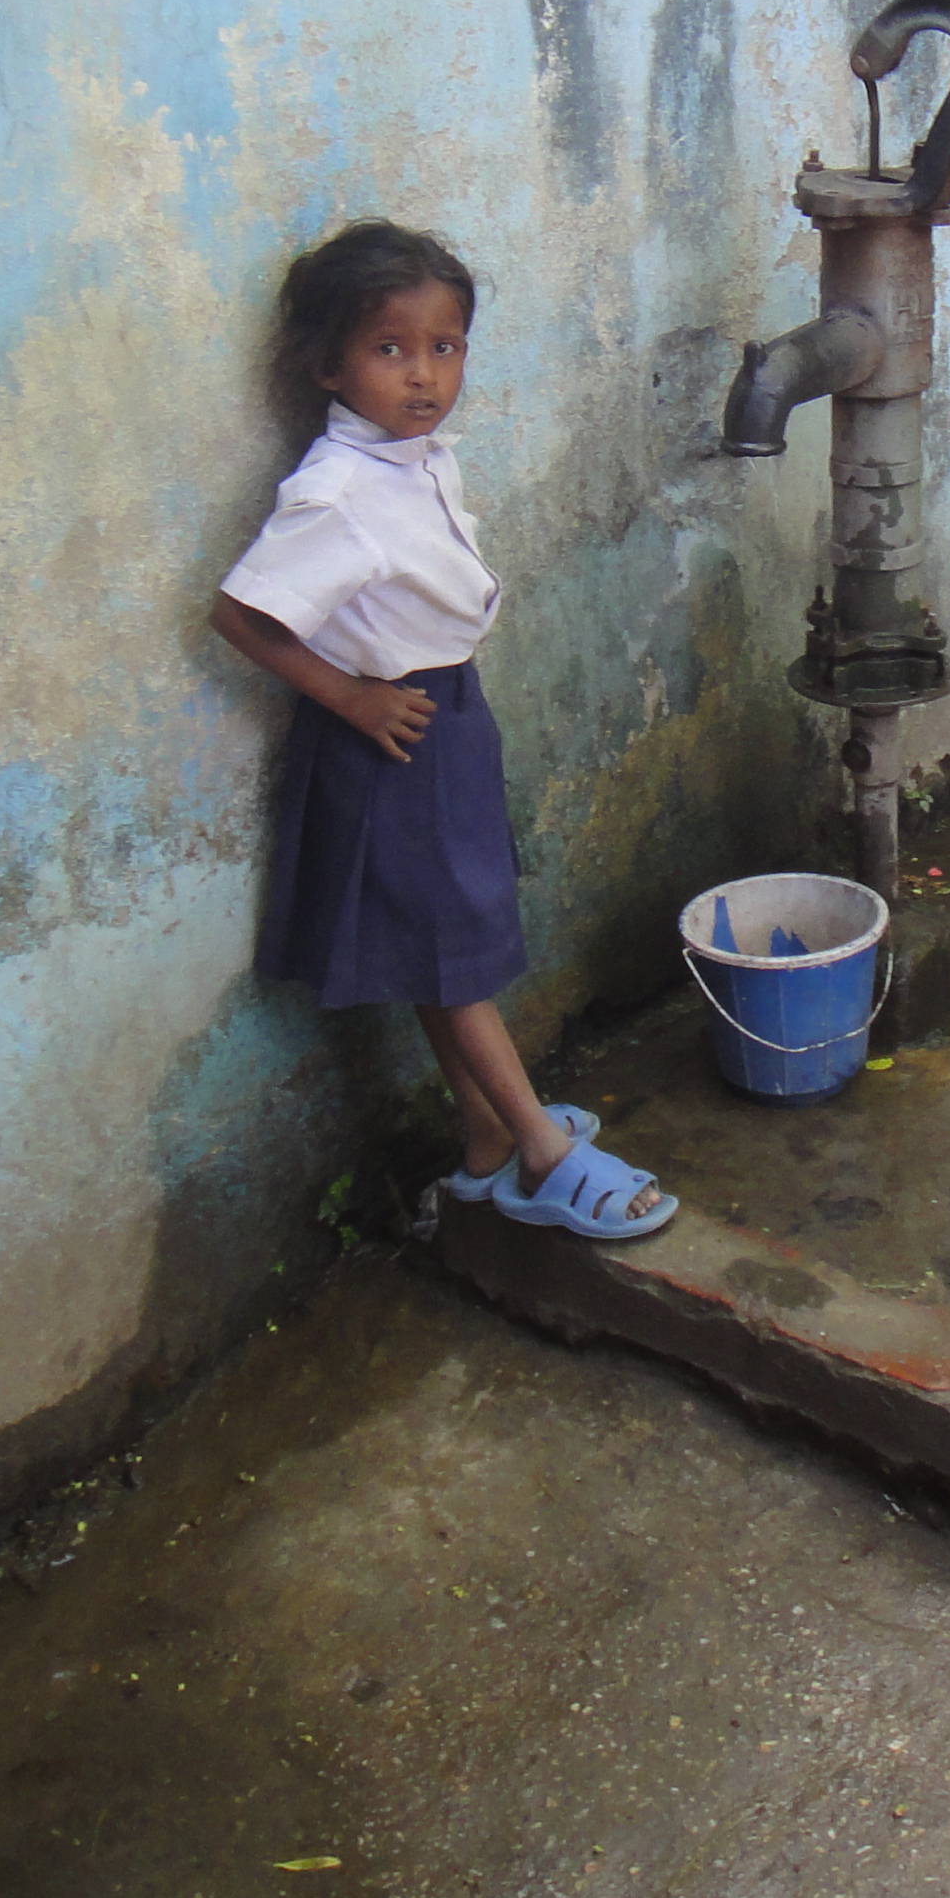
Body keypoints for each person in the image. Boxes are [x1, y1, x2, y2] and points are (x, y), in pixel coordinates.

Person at [210, 220, 676, 1240]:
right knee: (455, 957)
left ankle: (484, 1140)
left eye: (445, 346)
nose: (423, 375)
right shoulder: (335, 494)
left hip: (445, 718)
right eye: (390, 349)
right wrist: (350, 697)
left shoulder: (413, 458)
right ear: (327, 364)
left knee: (440, 945)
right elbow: (240, 614)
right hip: (392, 737)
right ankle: (544, 1149)